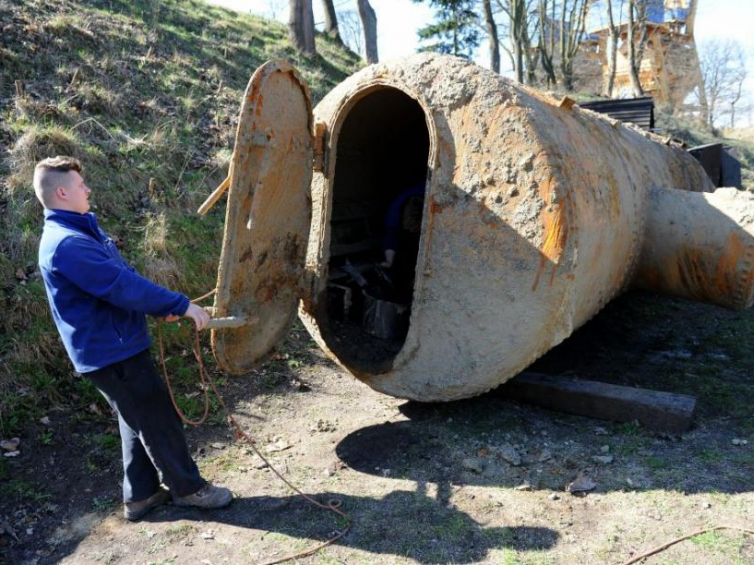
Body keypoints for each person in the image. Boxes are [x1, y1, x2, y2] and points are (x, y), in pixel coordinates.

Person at [34, 156, 232, 521]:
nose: (88, 189)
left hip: (115, 345)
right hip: (112, 352)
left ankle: (140, 496)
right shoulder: (67, 243)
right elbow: (120, 286)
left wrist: (160, 308)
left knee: (135, 417)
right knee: (157, 419)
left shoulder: (80, 231)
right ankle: (189, 490)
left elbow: (118, 282)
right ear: (62, 191)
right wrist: (178, 304)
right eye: (80, 185)